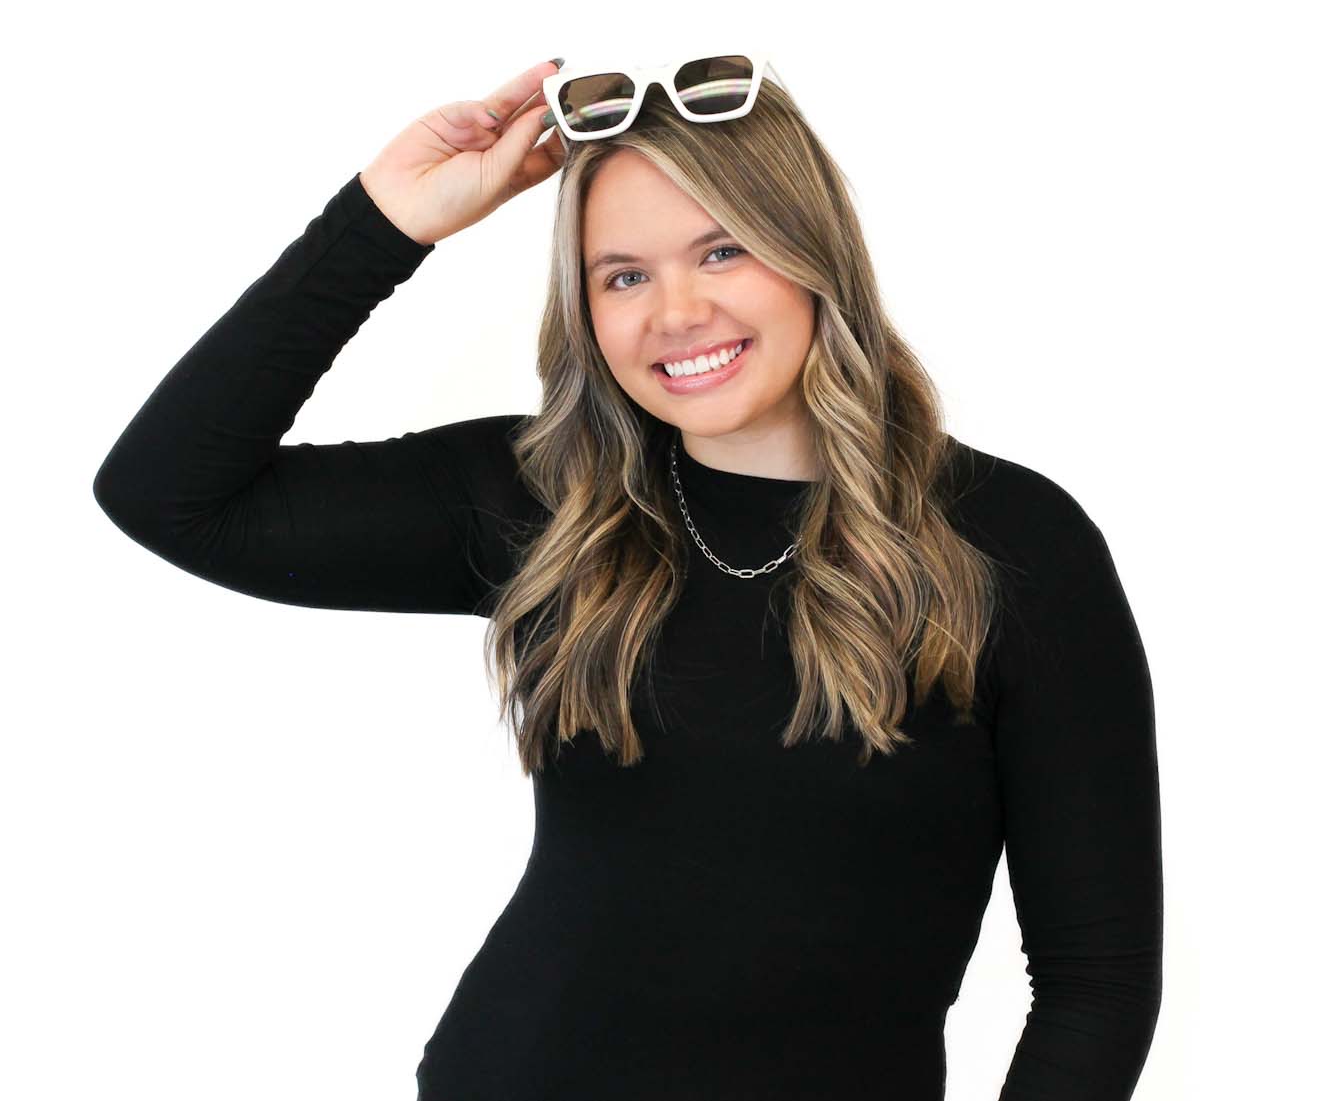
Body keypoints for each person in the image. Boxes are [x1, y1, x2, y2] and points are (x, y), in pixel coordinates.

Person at [91, 55, 1163, 1100]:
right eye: (624, 275)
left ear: (813, 254)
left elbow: (1096, 982)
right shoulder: (551, 502)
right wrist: (386, 221)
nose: (675, 312)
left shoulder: (1006, 542)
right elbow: (168, 494)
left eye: (722, 250)